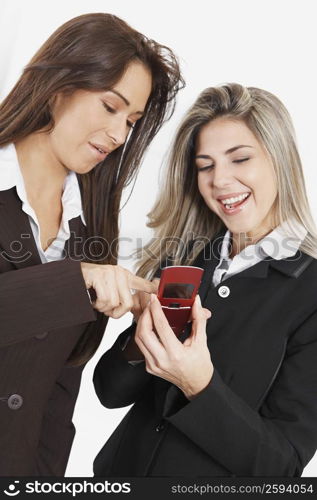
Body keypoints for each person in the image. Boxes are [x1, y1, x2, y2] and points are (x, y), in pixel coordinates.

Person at [93, 83, 317, 477]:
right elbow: (109, 392)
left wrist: (199, 384)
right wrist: (138, 341)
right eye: (205, 165)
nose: (220, 181)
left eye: (240, 159)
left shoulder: (310, 289)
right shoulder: (187, 258)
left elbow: (280, 468)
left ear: (279, 160)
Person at [0, 12, 183, 475]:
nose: (120, 134)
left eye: (132, 119)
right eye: (110, 106)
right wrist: (73, 282)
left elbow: (57, 392)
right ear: (60, 85)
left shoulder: (89, 230)